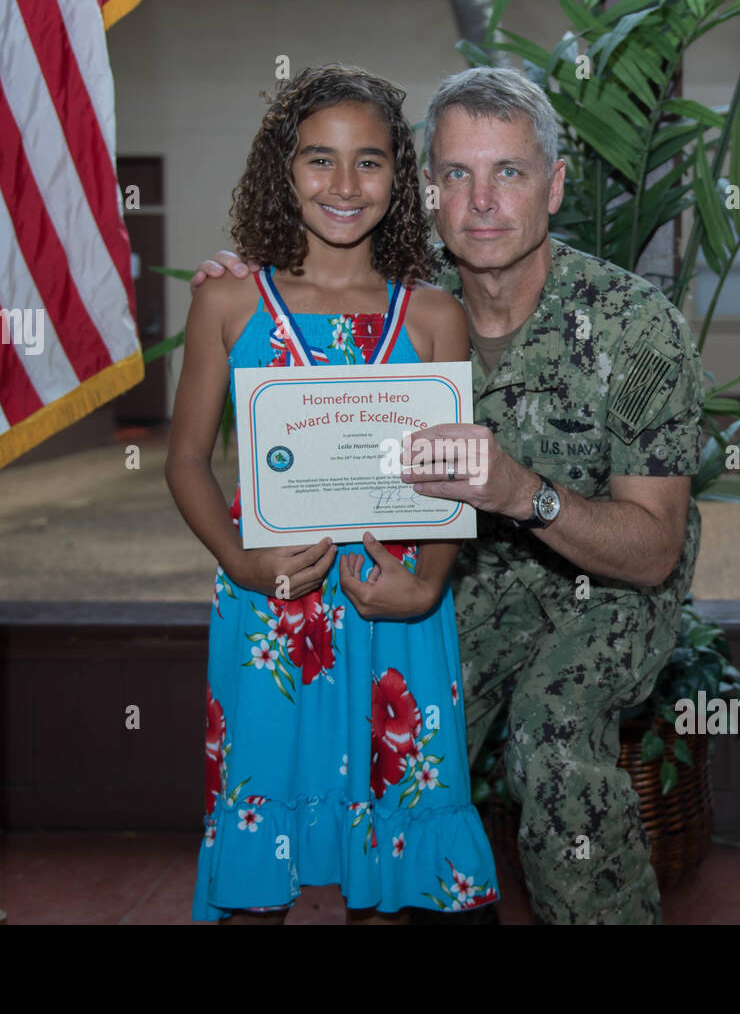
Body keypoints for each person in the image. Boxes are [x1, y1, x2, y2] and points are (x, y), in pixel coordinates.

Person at [190, 66, 704, 925]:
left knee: (553, 733)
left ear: (555, 186)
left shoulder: (634, 323)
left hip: (606, 584)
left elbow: (652, 550)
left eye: (510, 172)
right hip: (461, 578)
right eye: (457, 174)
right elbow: (288, 313)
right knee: (396, 749)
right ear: (424, 187)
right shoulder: (393, 290)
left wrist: (523, 493)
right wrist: (249, 273)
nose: (483, 202)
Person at [166, 64, 499, 925]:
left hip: (399, 606)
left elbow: (460, 468)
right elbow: (186, 462)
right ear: (284, 171)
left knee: (398, 875)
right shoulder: (230, 302)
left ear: (402, 177)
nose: (344, 185)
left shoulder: (433, 314)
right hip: (270, 604)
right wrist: (242, 562)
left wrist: (428, 581)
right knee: (259, 839)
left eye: (371, 162)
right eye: (320, 160)